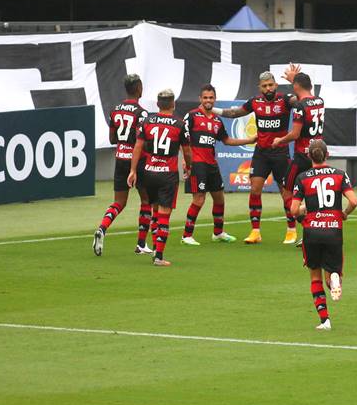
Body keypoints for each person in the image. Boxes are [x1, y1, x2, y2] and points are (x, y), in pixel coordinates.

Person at [218, 71, 300, 245]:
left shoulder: (285, 100)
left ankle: (291, 230)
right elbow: (234, 114)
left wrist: (296, 82)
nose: (268, 88)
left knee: (285, 192)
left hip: (280, 153)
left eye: (270, 85)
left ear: (276, 85)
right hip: (261, 153)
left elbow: (301, 102)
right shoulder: (255, 102)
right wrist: (213, 109)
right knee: (255, 189)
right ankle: (255, 231)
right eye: (264, 86)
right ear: (260, 88)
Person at [289, 140, 357, 331]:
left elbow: (294, 210)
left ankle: (325, 320)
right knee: (332, 273)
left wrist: (305, 212)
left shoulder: (303, 178)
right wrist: (344, 213)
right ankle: (334, 276)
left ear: (309, 156)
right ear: (327, 155)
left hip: (312, 232)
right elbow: (354, 201)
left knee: (315, 277)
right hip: (333, 230)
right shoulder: (340, 175)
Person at [180, 84, 257, 245]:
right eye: (205, 97)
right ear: (200, 99)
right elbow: (183, 139)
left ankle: (218, 232)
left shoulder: (217, 120)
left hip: (211, 164)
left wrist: (249, 140)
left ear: (215, 99)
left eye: (211, 97)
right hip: (197, 164)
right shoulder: (192, 116)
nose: (208, 100)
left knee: (219, 198)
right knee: (199, 199)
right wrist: (186, 161)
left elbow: (227, 140)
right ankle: (186, 235)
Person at [93, 73, 154, 257]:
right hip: (137, 161)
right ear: (139, 89)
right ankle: (141, 244)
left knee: (119, 202)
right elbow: (141, 140)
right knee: (146, 200)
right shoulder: (141, 113)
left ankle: (102, 228)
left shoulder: (115, 110)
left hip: (120, 159)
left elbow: (112, 138)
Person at [128, 89, 189, 267]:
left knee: (153, 209)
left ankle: (154, 247)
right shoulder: (179, 123)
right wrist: (189, 165)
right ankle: (159, 256)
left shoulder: (147, 120)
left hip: (147, 172)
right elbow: (187, 151)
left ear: (157, 104)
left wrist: (133, 170)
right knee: (163, 214)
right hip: (167, 174)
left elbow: (138, 147)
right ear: (173, 104)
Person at [274, 70, 326, 200]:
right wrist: (295, 81)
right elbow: (307, 97)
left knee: (287, 193)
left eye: (294, 85)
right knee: (313, 192)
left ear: (296, 86)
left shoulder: (299, 106)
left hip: (302, 156)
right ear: (311, 86)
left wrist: (280, 140)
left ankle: (300, 218)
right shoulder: (320, 101)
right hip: (317, 154)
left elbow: (295, 134)